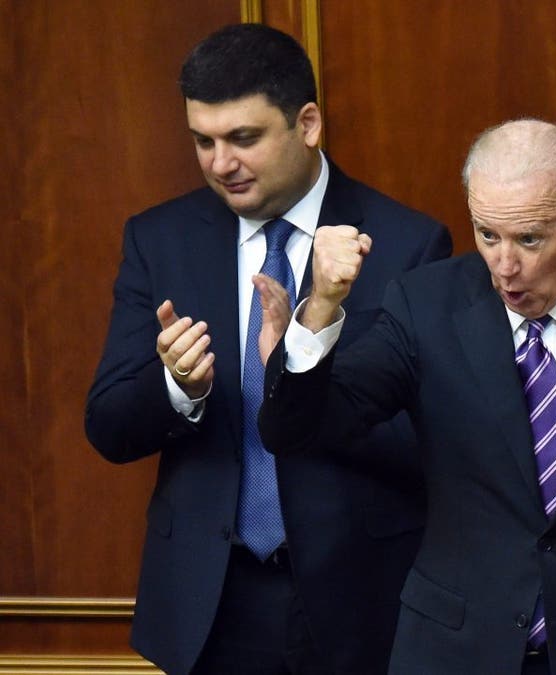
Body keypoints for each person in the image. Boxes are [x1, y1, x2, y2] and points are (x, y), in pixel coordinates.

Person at [256, 118, 556, 674]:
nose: (505, 267)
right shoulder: (426, 307)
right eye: (487, 235)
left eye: (529, 239)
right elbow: (298, 429)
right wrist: (319, 309)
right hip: (456, 653)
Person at [84, 23, 451, 675]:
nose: (220, 162)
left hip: (358, 601)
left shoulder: (407, 244)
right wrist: (178, 387)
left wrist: (308, 359)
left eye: (243, 138)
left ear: (306, 124)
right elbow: (108, 425)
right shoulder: (159, 238)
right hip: (209, 601)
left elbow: (430, 446)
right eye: (204, 140)